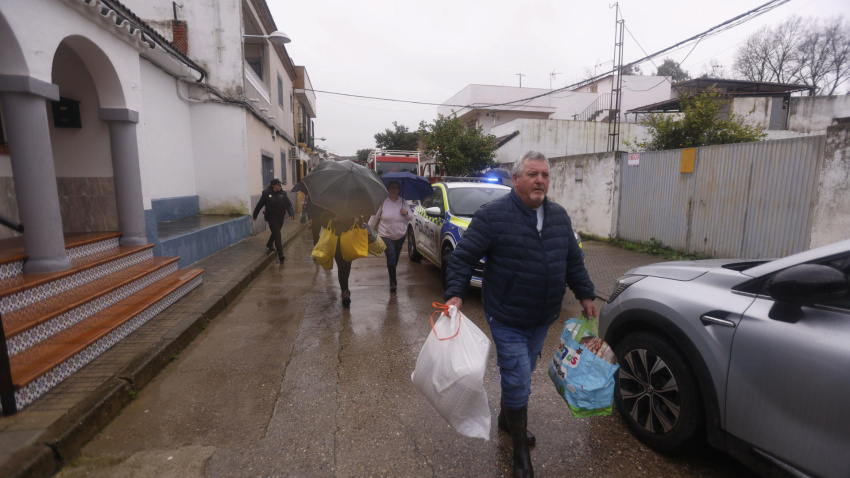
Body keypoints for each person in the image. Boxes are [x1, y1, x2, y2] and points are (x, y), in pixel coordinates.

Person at [442, 151, 596, 478]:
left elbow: (572, 260)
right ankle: (520, 454)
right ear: (515, 179)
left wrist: (585, 294)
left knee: (522, 372)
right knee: (517, 377)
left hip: (542, 316)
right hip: (506, 314)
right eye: (532, 174)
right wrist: (455, 293)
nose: (540, 180)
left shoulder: (559, 216)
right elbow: (463, 257)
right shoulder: (492, 215)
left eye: (545, 175)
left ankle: (505, 419)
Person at [368, 181, 412, 292]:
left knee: (395, 258)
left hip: (400, 235)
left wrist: (406, 213)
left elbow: (411, 217)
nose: (394, 190)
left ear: (399, 190)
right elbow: (374, 217)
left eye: (396, 188)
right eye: (392, 188)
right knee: (391, 256)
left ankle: (391, 274)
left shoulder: (403, 202)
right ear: (388, 189)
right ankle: (393, 281)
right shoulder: (383, 202)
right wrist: (368, 229)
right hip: (386, 235)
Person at [252, 178, 295, 263]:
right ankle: (281, 255)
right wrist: (255, 215)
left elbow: (288, 205)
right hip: (271, 217)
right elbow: (259, 204)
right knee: (277, 235)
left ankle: (269, 243)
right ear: (273, 186)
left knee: (276, 232)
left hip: (280, 216)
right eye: (278, 185)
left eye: (280, 185)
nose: (280, 186)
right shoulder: (266, 193)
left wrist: (291, 214)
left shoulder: (283, 193)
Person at [329, 215, 365, 307]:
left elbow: (361, 221)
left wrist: (359, 221)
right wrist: (334, 219)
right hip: (337, 241)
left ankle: (345, 289)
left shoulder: (352, 209)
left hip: (350, 240)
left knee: (347, 265)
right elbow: (324, 221)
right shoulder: (331, 209)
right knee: (341, 266)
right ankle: (345, 291)